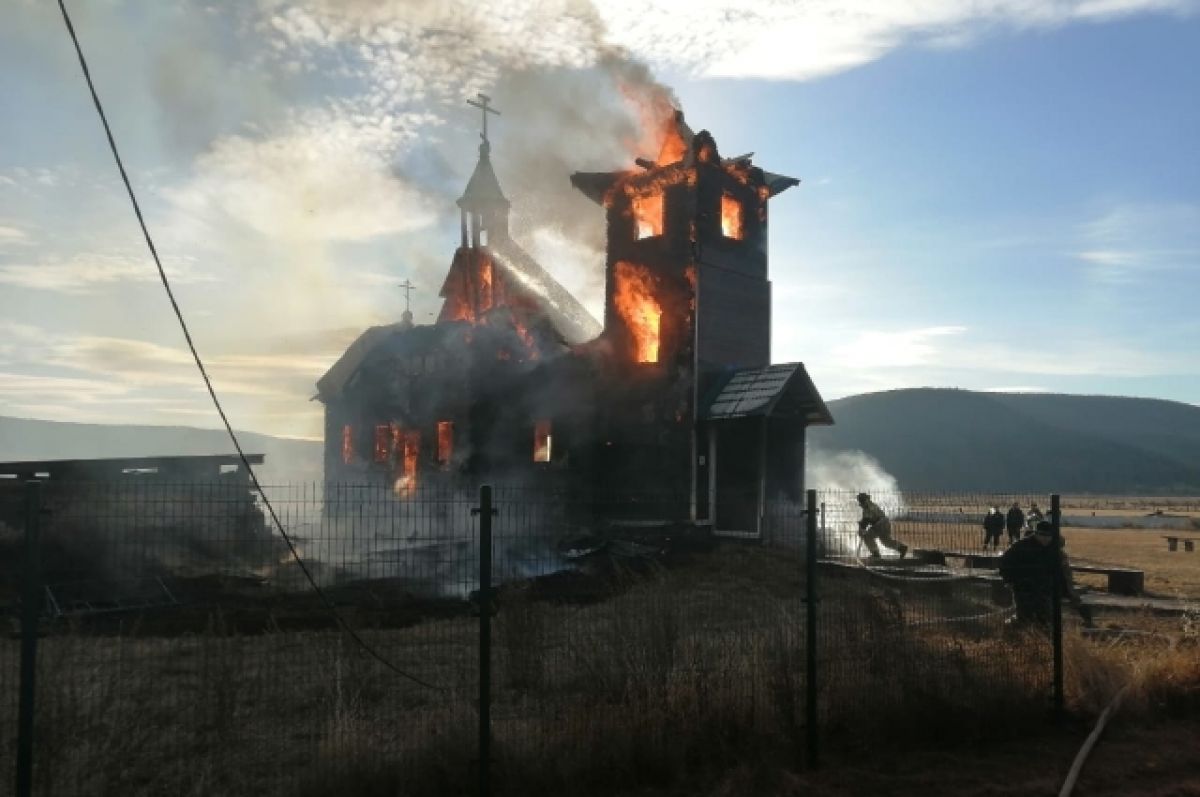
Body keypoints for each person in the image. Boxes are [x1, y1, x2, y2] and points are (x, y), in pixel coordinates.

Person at [998, 520, 1092, 627]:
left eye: (1048, 536)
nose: (1045, 538)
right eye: (1042, 535)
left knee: (1045, 620)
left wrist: (1075, 600)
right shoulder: (1020, 547)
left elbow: (1064, 576)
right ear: (1036, 534)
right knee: (1024, 617)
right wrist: (1009, 580)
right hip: (1023, 589)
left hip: (1045, 590)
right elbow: (1004, 563)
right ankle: (1012, 629)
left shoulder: (1056, 552)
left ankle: (1042, 639)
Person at [856, 492, 908, 559]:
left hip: (880, 524)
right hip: (885, 523)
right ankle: (901, 548)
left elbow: (866, 519)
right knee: (886, 541)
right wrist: (862, 525)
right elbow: (866, 519)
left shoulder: (868, 506)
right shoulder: (870, 505)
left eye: (861, 500)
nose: (861, 502)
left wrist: (862, 527)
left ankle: (875, 554)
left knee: (867, 536)